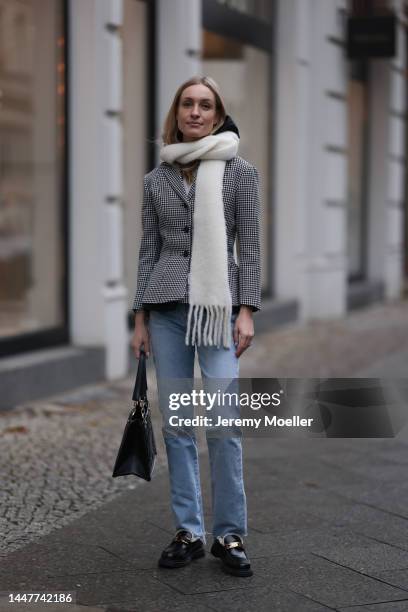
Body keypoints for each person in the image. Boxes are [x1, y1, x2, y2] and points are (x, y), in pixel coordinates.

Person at [131, 76, 261, 578]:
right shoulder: (156, 177)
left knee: (224, 424)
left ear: (218, 113)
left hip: (219, 308)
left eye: (205, 105)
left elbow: (248, 243)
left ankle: (229, 533)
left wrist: (247, 308)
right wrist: (139, 317)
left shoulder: (240, 172)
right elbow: (149, 249)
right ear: (177, 112)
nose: (195, 111)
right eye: (187, 103)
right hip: (164, 308)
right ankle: (189, 530)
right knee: (179, 426)